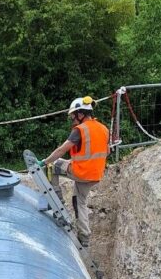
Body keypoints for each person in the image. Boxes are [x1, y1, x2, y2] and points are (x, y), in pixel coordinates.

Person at [41, 96, 110, 247]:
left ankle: (57, 201)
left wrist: (45, 162)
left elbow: (61, 150)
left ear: (80, 114)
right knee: (80, 201)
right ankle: (84, 237)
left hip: (82, 172)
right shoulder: (104, 129)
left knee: (53, 165)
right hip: (96, 174)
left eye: (73, 115)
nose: (72, 119)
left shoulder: (80, 130)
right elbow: (107, 152)